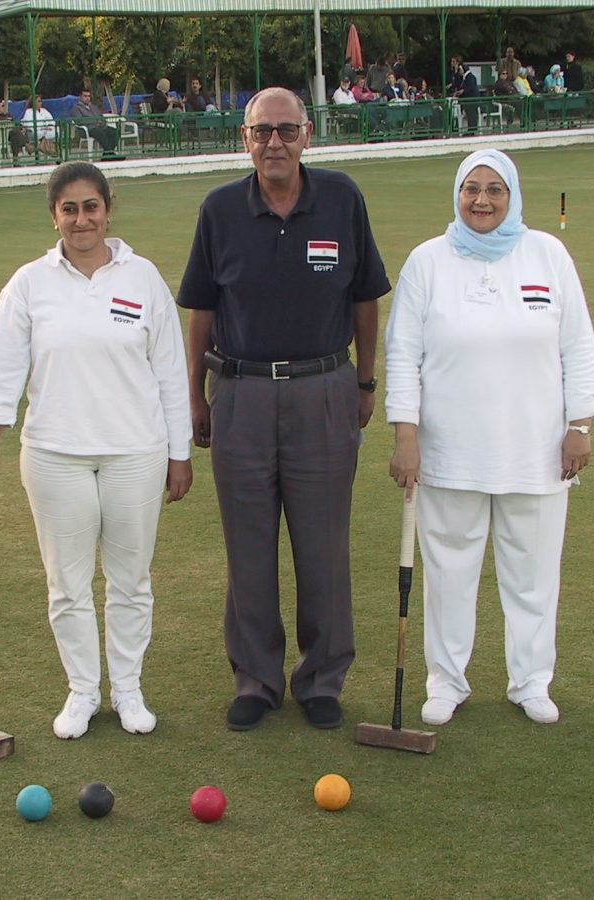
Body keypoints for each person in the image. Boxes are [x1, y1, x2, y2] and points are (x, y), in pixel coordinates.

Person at [176, 87, 390, 733]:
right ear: (245, 138)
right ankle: (258, 680)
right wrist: (194, 395)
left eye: (287, 130)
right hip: (239, 392)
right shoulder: (219, 210)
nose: (275, 142)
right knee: (248, 549)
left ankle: (321, 679)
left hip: (323, 389)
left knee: (324, 546)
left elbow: (365, 301)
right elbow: (201, 312)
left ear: (308, 134)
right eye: (263, 131)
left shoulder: (343, 199)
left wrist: (365, 384)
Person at [0, 161, 193, 740]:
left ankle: (129, 690)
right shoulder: (28, 285)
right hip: (54, 454)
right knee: (67, 585)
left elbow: (169, 373)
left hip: (135, 452)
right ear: (54, 216)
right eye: (70, 209)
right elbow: (2, 377)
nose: (82, 219)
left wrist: (179, 453)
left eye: (91, 206)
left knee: (130, 582)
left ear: (108, 209)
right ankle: (83, 692)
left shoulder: (143, 279)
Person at [385, 148, 594, 727]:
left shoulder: (547, 255)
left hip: (536, 452)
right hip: (449, 454)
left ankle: (530, 681)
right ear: (457, 194)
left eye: (494, 190)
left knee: (532, 576)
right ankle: (446, 681)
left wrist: (579, 425)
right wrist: (405, 435)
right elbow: (403, 355)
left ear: (512, 196)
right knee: (449, 575)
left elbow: (577, 345)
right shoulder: (427, 262)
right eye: (471, 188)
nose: (481, 200)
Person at [70, 87, 121, 159]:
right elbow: (79, 121)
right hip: (88, 129)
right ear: (80, 97)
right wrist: (95, 122)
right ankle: (110, 154)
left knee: (115, 132)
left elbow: (101, 117)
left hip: (100, 127)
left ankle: (107, 154)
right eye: (85, 96)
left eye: (89, 96)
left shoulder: (93, 107)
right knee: (99, 132)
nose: (87, 98)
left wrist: (102, 122)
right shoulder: (76, 109)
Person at [10, 95, 56, 159]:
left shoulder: (44, 111)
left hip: (48, 130)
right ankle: (48, 150)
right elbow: (28, 124)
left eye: (41, 101)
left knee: (55, 132)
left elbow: (51, 121)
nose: (40, 103)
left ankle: (44, 148)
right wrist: (42, 128)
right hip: (35, 131)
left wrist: (48, 126)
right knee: (43, 134)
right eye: (38, 101)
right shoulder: (28, 112)